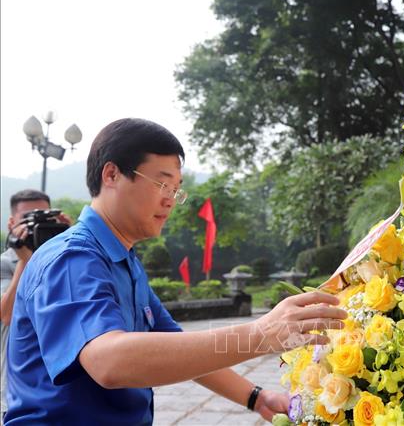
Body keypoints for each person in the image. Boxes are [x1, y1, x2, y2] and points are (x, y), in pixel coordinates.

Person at [4, 118, 346, 425]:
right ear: (111, 175)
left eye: (176, 190)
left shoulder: (124, 260)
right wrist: (259, 334)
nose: (170, 199)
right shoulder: (71, 259)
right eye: (162, 184)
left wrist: (256, 397)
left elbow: (177, 344)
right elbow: (108, 362)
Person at [0, 189, 71, 420]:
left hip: (62, 388)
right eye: (28, 219)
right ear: (11, 223)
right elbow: (7, 314)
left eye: (43, 218)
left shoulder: (64, 257)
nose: (34, 226)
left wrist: (71, 238)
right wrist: (26, 260)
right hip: (18, 394)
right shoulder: (5, 263)